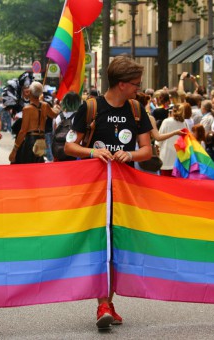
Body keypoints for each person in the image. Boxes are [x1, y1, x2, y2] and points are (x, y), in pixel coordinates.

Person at [64, 55, 153, 330]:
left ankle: (108, 303)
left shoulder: (137, 110)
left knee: (115, 247)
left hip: (126, 191)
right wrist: (93, 151)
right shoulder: (90, 107)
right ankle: (103, 303)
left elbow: (147, 151)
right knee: (100, 244)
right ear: (122, 84)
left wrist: (129, 154)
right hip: (94, 190)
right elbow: (69, 147)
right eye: (136, 84)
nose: (139, 88)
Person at [8, 82, 59, 164]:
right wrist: (56, 107)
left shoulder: (27, 109)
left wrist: (14, 150)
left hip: (30, 141)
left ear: (31, 93)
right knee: (38, 168)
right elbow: (54, 114)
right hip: (41, 140)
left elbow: (23, 131)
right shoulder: (45, 106)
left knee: (27, 168)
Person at [158, 103, 189, 176]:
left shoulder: (166, 121)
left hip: (166, 157)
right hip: (179, 158)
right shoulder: (184, 123)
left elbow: (159, 138)